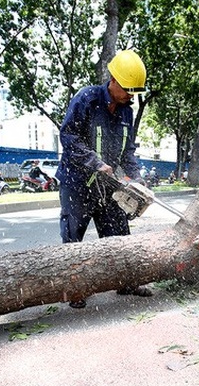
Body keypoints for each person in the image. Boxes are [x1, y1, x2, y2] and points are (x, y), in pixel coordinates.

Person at [56, 49, 152, 309]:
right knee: (73, 236)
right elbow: (69, 137)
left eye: (134, 91)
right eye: (127, 89)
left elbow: (127, 149)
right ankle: (75, 287)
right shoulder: (86, 99)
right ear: (114, 80)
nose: (130, 95)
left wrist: (136, 178)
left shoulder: (126, 113)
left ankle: (126, 282)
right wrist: (95, 163)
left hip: (107, 185)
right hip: (77, 181)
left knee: (119, 234)